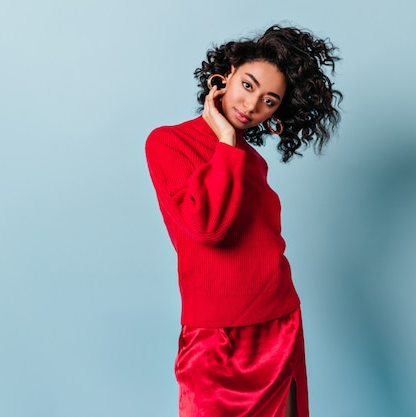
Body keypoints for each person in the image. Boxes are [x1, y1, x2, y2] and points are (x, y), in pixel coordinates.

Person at [145, 24, 342, 417]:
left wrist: (229, 146)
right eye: (248, 86)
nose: (252, 107)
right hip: (213, 337)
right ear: (228, 72)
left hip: (277, 324)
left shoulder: (250, 161)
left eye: (269, 101)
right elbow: (208, 227)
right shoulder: (167, 143)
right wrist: (224, 141)